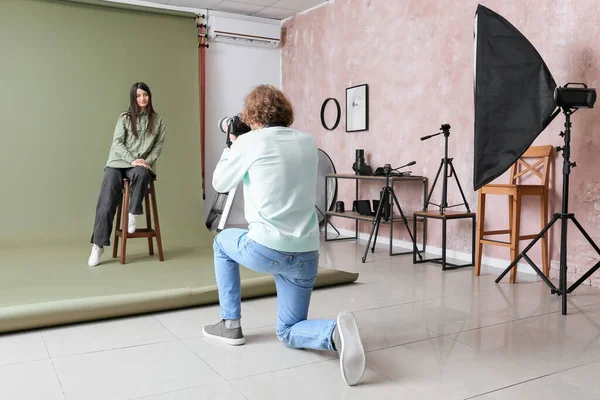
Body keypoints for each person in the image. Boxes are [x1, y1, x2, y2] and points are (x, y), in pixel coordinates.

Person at [202, 84, 366, 386]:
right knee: (290, 330)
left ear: (252, 115)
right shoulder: (307, 141)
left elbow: (220, 182)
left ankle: (231, 323)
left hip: (266, 250)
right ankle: (334, 333)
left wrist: (231, 144)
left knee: (222, 244)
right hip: (306, 253)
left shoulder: (250, 142)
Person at [88, 82, 166, 267]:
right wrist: (132, 160)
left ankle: (133, 212)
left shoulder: (158, 120)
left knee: (142, 173)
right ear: (133, 98)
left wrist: (146, 161)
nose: (142, 98)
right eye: (138, 95)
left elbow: (158, 146)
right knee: (107, 201)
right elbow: (117, 143)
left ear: (149, 96)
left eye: (145, 94)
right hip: (118, 162)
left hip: (140, 164)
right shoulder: (124, 118)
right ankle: (98, 246)